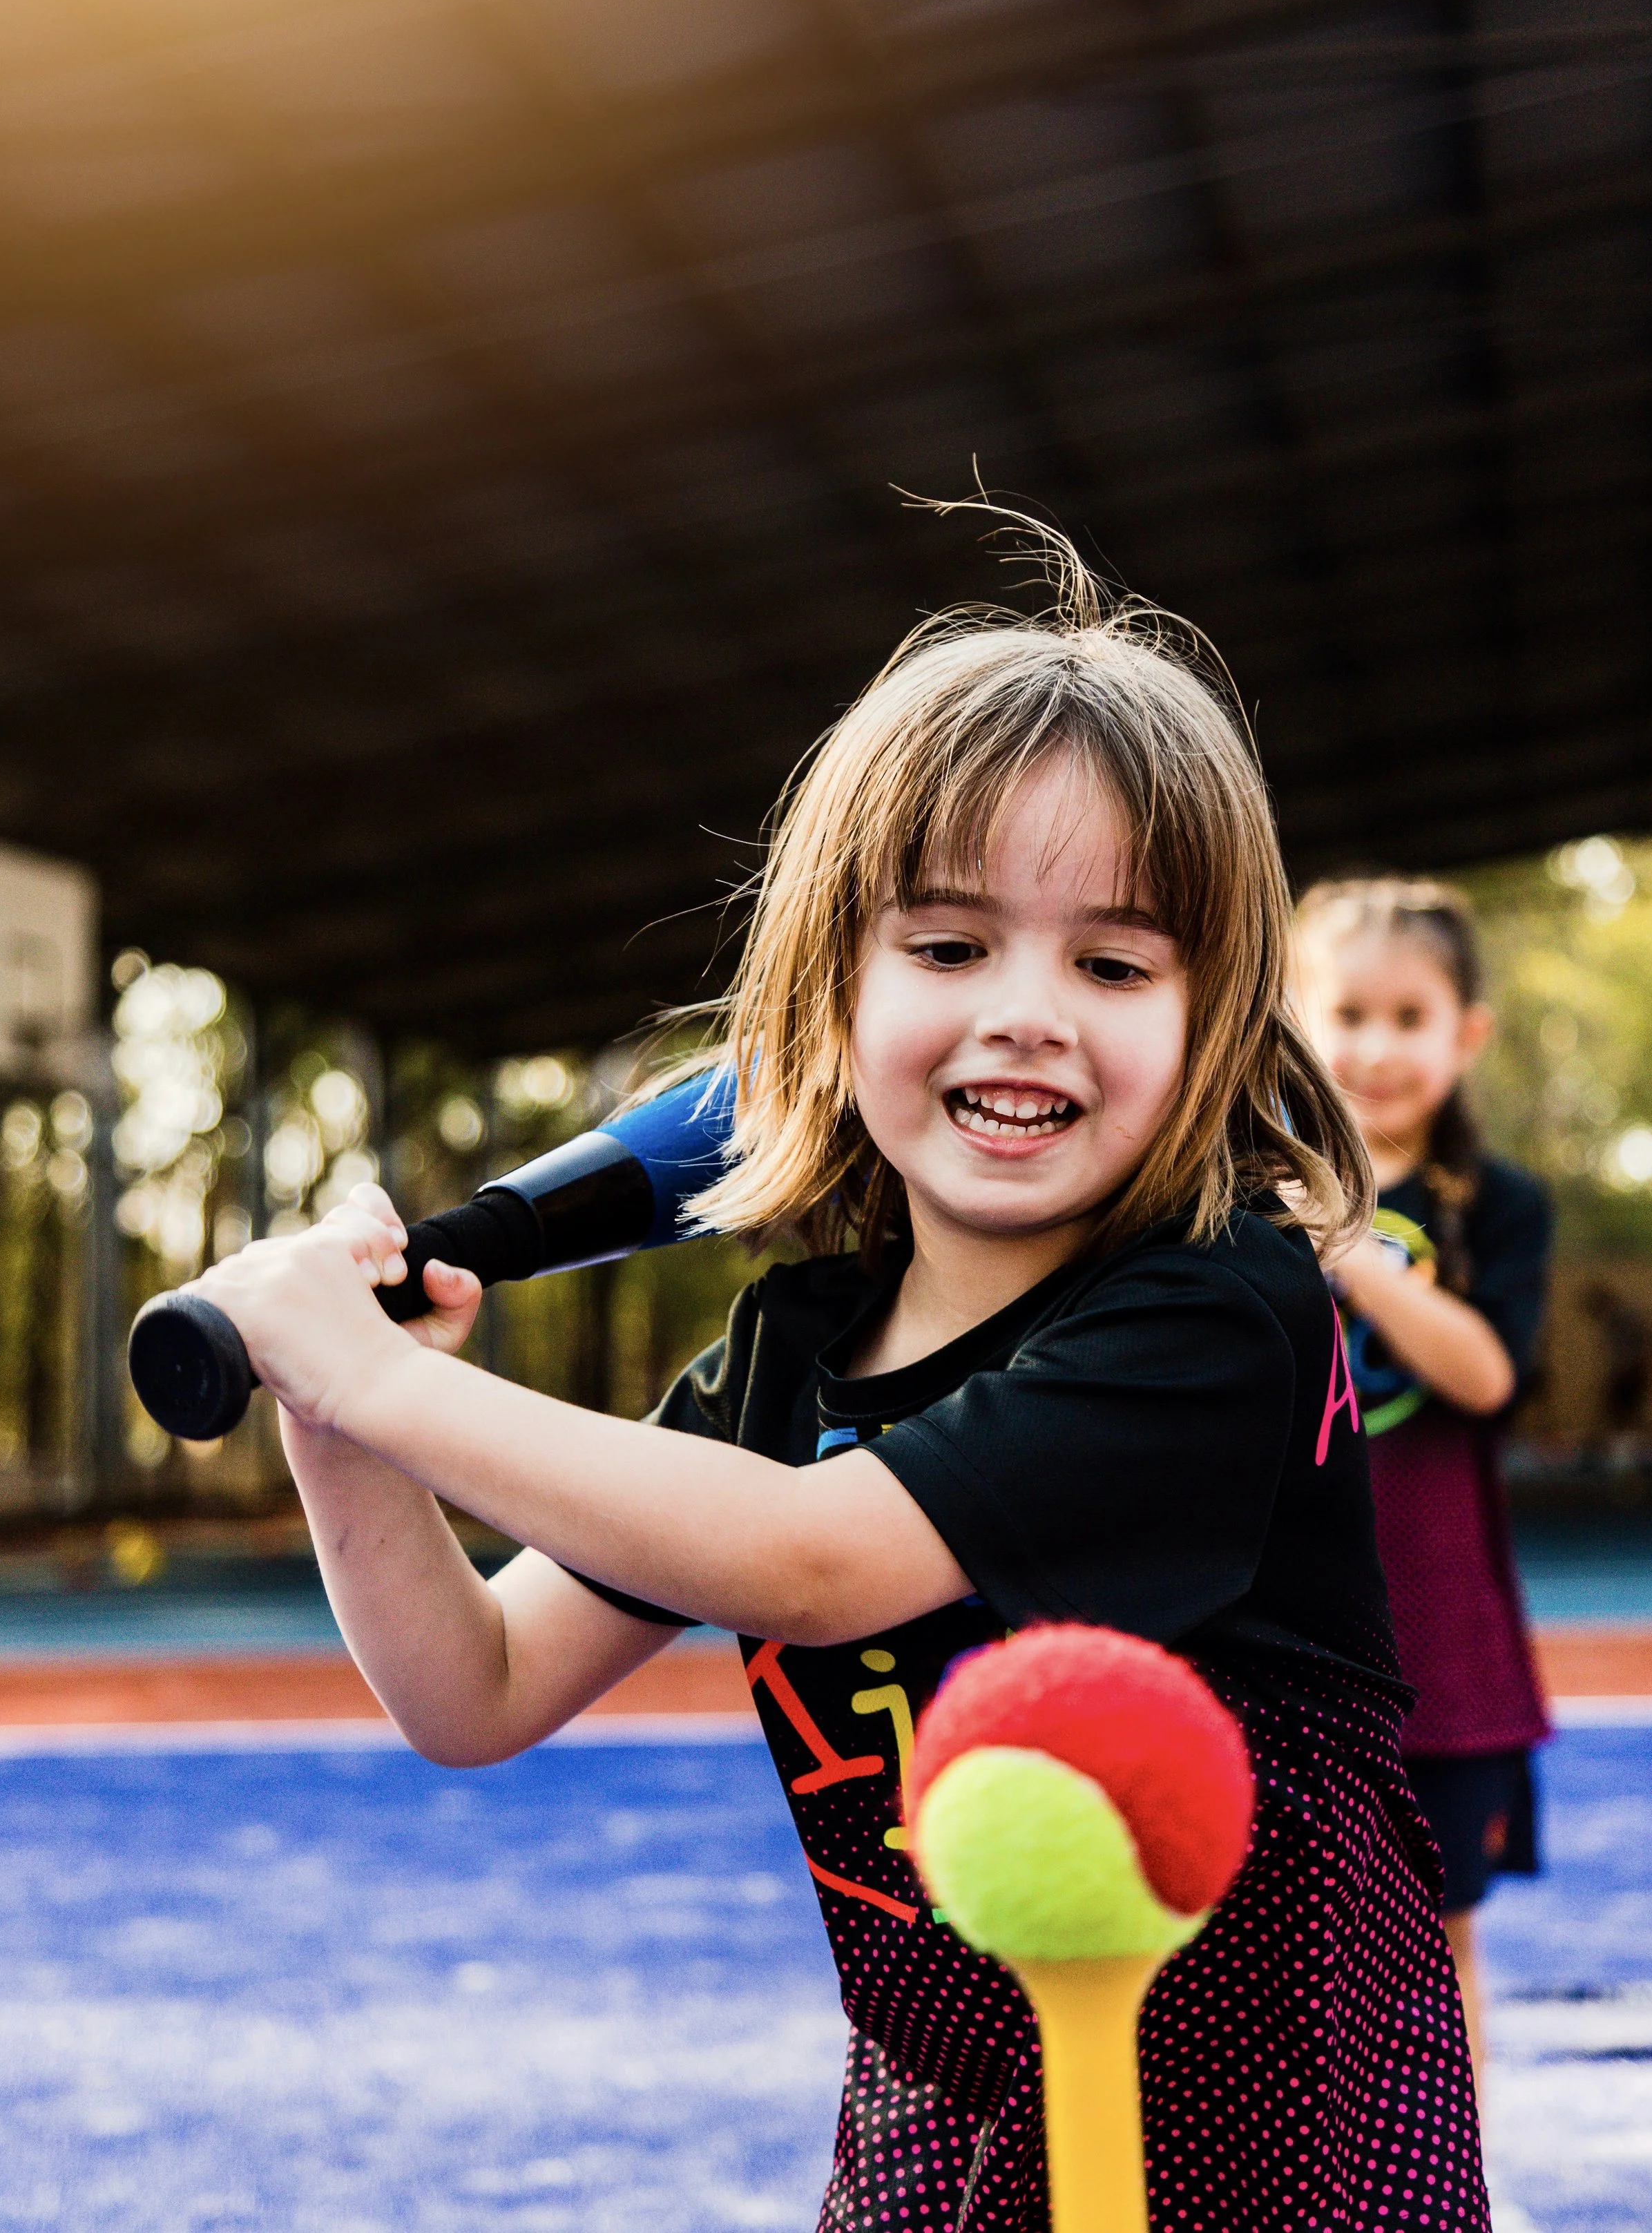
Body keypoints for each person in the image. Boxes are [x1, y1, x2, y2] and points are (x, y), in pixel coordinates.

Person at [191, 533, 1488, 2230]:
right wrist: (337, 1414)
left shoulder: (1213, 1310)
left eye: (1111, 964)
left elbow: (820, 1560)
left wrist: (377, 1372)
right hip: (939, 2090)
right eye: (946, 948)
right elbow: (474, 1688)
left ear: (1213, 1024)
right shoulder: (791, 1354)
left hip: (1275, 2114)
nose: (1025, 1013)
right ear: (835, 992)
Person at [1293, 878, 1553, 2096]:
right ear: (1293, 1021)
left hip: (1444, 1647)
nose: (1379, 1046)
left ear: (1468, 1034)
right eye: (1348, 1011)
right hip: (1281, 1637)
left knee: (1439, 1938)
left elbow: (1488, 1374)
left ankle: (1457, 2180)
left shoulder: (1500, 1206)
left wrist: (1355, 1256)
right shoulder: (1233, 1201)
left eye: (1412, 1014)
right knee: (1277, 1947)